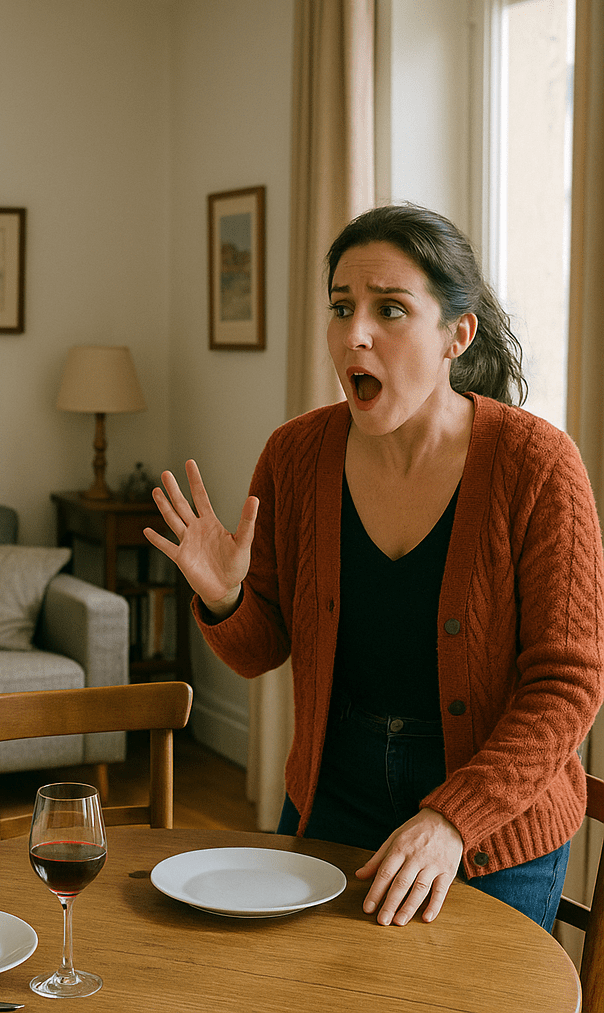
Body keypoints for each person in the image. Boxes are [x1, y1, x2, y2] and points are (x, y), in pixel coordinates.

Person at [146, 203, 604, 932]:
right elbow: (263, 650)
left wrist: (453, 821)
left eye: (390, 309)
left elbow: (567, 686)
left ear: (458, 334)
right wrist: (228, 599)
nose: (354, 333)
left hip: (492, 830)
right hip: (334, 801)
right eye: (341, 307)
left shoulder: (538, 466)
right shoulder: (296, 456)